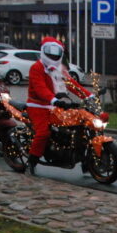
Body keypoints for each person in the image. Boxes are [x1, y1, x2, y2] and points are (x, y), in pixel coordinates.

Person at [25, 36, 94, 176]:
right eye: (50, 53)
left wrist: (89, 96)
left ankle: (85, 159)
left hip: (55, 105)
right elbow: (40, 88)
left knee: (80, 125)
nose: (53, 56)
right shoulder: (36, 68)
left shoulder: (60, 69)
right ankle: (31, 162)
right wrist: (53, 100)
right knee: (43, 133)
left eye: (55, 54)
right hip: (37, 105)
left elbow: (72, 84)